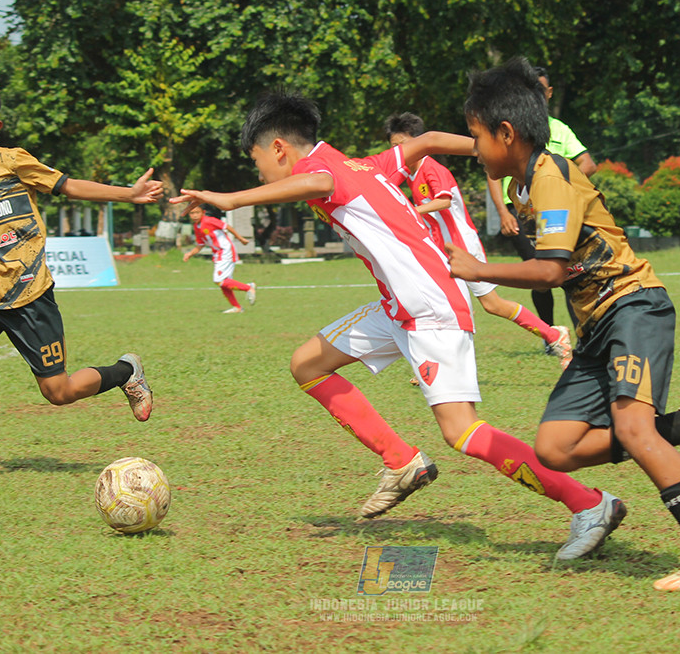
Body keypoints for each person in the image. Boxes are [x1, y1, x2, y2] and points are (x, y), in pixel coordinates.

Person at [170, 92, 627, 561]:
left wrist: (229, 199)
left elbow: (314, 183)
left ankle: (589, 504)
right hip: (397, 307)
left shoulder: (329, 174)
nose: (260, 171)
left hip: (430, 308)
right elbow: (424, 141)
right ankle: (401, 461)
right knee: (307, 363)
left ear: (281, 149)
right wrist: (492, 151)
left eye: (258, 160)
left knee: (462, 433)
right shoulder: (365, 166)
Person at [443, 57, 680, 591]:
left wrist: (477, 269)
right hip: (596, 327)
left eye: (476, 136)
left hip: (632, 303)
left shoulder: (551, 177)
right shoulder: (522, 185)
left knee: (632, 426)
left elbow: (553, 269)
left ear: (507, 132)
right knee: (555, 448)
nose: (473, 148)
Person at [0, 79, 159, 481]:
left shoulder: (12, 161)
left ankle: (126, 372)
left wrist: (129, 194)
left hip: (30, 296)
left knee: (59, 393)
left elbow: (68, 186)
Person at [381, 112, 570, 365]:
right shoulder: (410, 174)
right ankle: (437, 360)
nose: (398, 152)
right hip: (443, 250)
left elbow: (444, 200)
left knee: (492, 304)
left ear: (418, 141)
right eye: (393, 147)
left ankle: (553, 334)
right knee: (436, 303)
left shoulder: (432, 168)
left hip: (462, 247)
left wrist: (412, 211)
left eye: (401, 145)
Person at [486, 66, 597, 337]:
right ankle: (550, 334)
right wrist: (503, 212)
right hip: (521, 211)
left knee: (567, 272)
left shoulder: (559, 129)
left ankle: (581, 335)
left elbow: (588, 163)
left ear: (547, 93)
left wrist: (559, 184)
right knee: (541, 276)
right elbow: (491, 173)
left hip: (555, 207)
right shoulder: (509, 131)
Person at [183, 204, 256, 314]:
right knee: (225, 283)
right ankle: (237, 308)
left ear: (203, 212)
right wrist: (190, 254)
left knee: (219, 280)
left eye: (197, 212)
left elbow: (226, 226)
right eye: (192, 213)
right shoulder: (196, 227)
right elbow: (200, 244)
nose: (194, 215)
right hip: (218, 253)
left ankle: (248, 287)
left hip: (225, 251)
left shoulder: (209, 220)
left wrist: (240, 238)